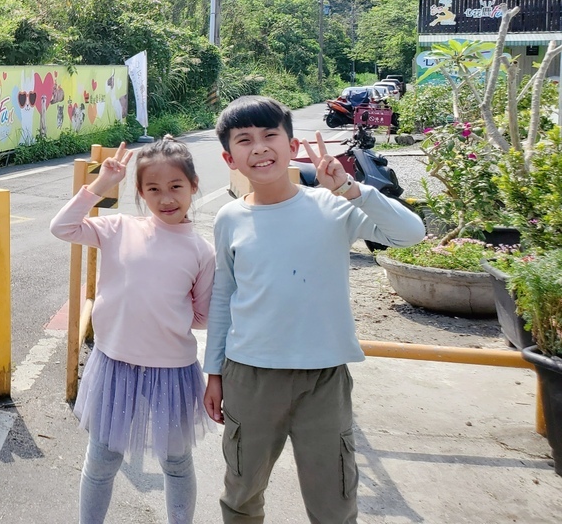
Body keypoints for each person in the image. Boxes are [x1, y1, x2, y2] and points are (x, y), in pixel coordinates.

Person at [204, 96, 425, 524]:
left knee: (334, 499)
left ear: (293, 144)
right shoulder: (229, 218)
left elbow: (411, 233)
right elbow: (223, 297)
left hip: (323, 378)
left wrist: (351, 189)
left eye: (271, 135)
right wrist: (213, 372)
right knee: (242, 491)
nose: (260, 148)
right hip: (249, 375)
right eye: (245, 140)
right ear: (230, 157)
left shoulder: (333, 206)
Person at [50, 136, 216, 524]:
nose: (166, 198)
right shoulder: (117, 228)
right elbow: (62, 227)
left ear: (193, 186)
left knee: (176, 461)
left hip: (173, 371)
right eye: (153, 189)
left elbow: (204, 314)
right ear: (139, 192)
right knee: (102, 460)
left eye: (176, 186)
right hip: (114, 364)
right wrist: (102, 185)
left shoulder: (200, 250)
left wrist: (163, 315)